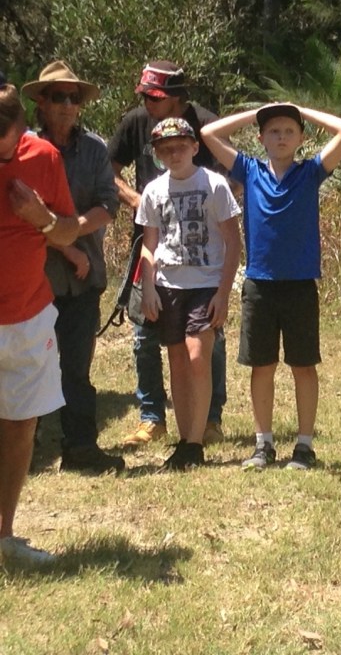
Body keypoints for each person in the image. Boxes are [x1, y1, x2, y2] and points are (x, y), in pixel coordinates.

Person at [201, 103, 341, 470]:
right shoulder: (249, 170)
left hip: (300, 284)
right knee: (262, 366)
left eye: (289, 131)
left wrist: (303, 110)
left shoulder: (311, 171)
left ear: (302, 139)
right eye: (273, 131)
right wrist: (257, 112)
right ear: (261, 138)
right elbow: (209, 135)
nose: (282, 137)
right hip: (259, 284)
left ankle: (304, 446)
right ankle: (263, 445)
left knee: (303, 365)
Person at [108, 61, 229, 447]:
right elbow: (106, 170)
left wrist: (219, 217)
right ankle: (152, 417)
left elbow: (237, 174)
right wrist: (135, 199)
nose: (146, 102)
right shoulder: (135, 123)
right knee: (146, 332)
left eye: (153, 96)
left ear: (176, 97)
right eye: (143, 95)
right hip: (150, 241)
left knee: (209, 337)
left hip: (204, 256)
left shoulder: (206, 124)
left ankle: (209, 420)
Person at [23, 61, 124, 474]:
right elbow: (23, 213)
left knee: (77, 370)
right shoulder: (23, 149)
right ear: (41, 103)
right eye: (58, 97)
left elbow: (108, 204)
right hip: (32, 282)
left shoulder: (96, 149)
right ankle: (20, 454)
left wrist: (74, 231)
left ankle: (80, 449)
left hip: (84, 281)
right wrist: (68, 246)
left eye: (74, 97)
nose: (67, 105)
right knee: (26, 368)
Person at [0, 80, 80, 565]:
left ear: (20, 130)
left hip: (28, 316)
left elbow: (69, 230)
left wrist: (39, 216)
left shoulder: (45, 157)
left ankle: (5, 535)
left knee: (20, 426)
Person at [136, 118, 241, 471]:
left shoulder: (214, 185)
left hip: (206, 282)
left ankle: (196, 441)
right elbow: (149, 245)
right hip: (167, 285)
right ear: (157, 155)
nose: (174, 153)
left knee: (199, 355)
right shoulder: (153, 191)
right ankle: (185, 441)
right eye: (166, 149)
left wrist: (223, 293)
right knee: (177, 360)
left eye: (180, 146)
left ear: (195, 147)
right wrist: (147, 286)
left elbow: (233, 242)